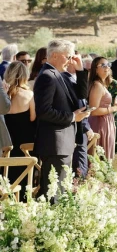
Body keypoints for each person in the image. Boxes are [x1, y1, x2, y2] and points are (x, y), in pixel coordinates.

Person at [33, 40, 91, 199]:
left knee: (60, 190)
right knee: (54, 192)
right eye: (68, 57)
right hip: (54, 144)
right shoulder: (47, 76)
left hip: (63, 143)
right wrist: (73, 117)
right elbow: (43, 111)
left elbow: (81, 95)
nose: (70, 61)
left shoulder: (60, 75)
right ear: (54, 56)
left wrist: (80, 70)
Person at [3, 61, 36, 195]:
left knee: (6, 172)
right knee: (24, 172)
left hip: (6, 140)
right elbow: (33, 117)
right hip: (24, 142)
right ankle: (23, 199)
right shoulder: (28, 94)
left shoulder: (3, 95)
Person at [88, 57, 117, 160]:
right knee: (100, 156)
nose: (107, 67)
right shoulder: (97, 85)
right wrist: (114, 108)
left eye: (108, 65)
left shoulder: (102, 85)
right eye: (103, 65)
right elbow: (93, 111)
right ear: (95, 69)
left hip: (106, 122)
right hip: (100, 124)